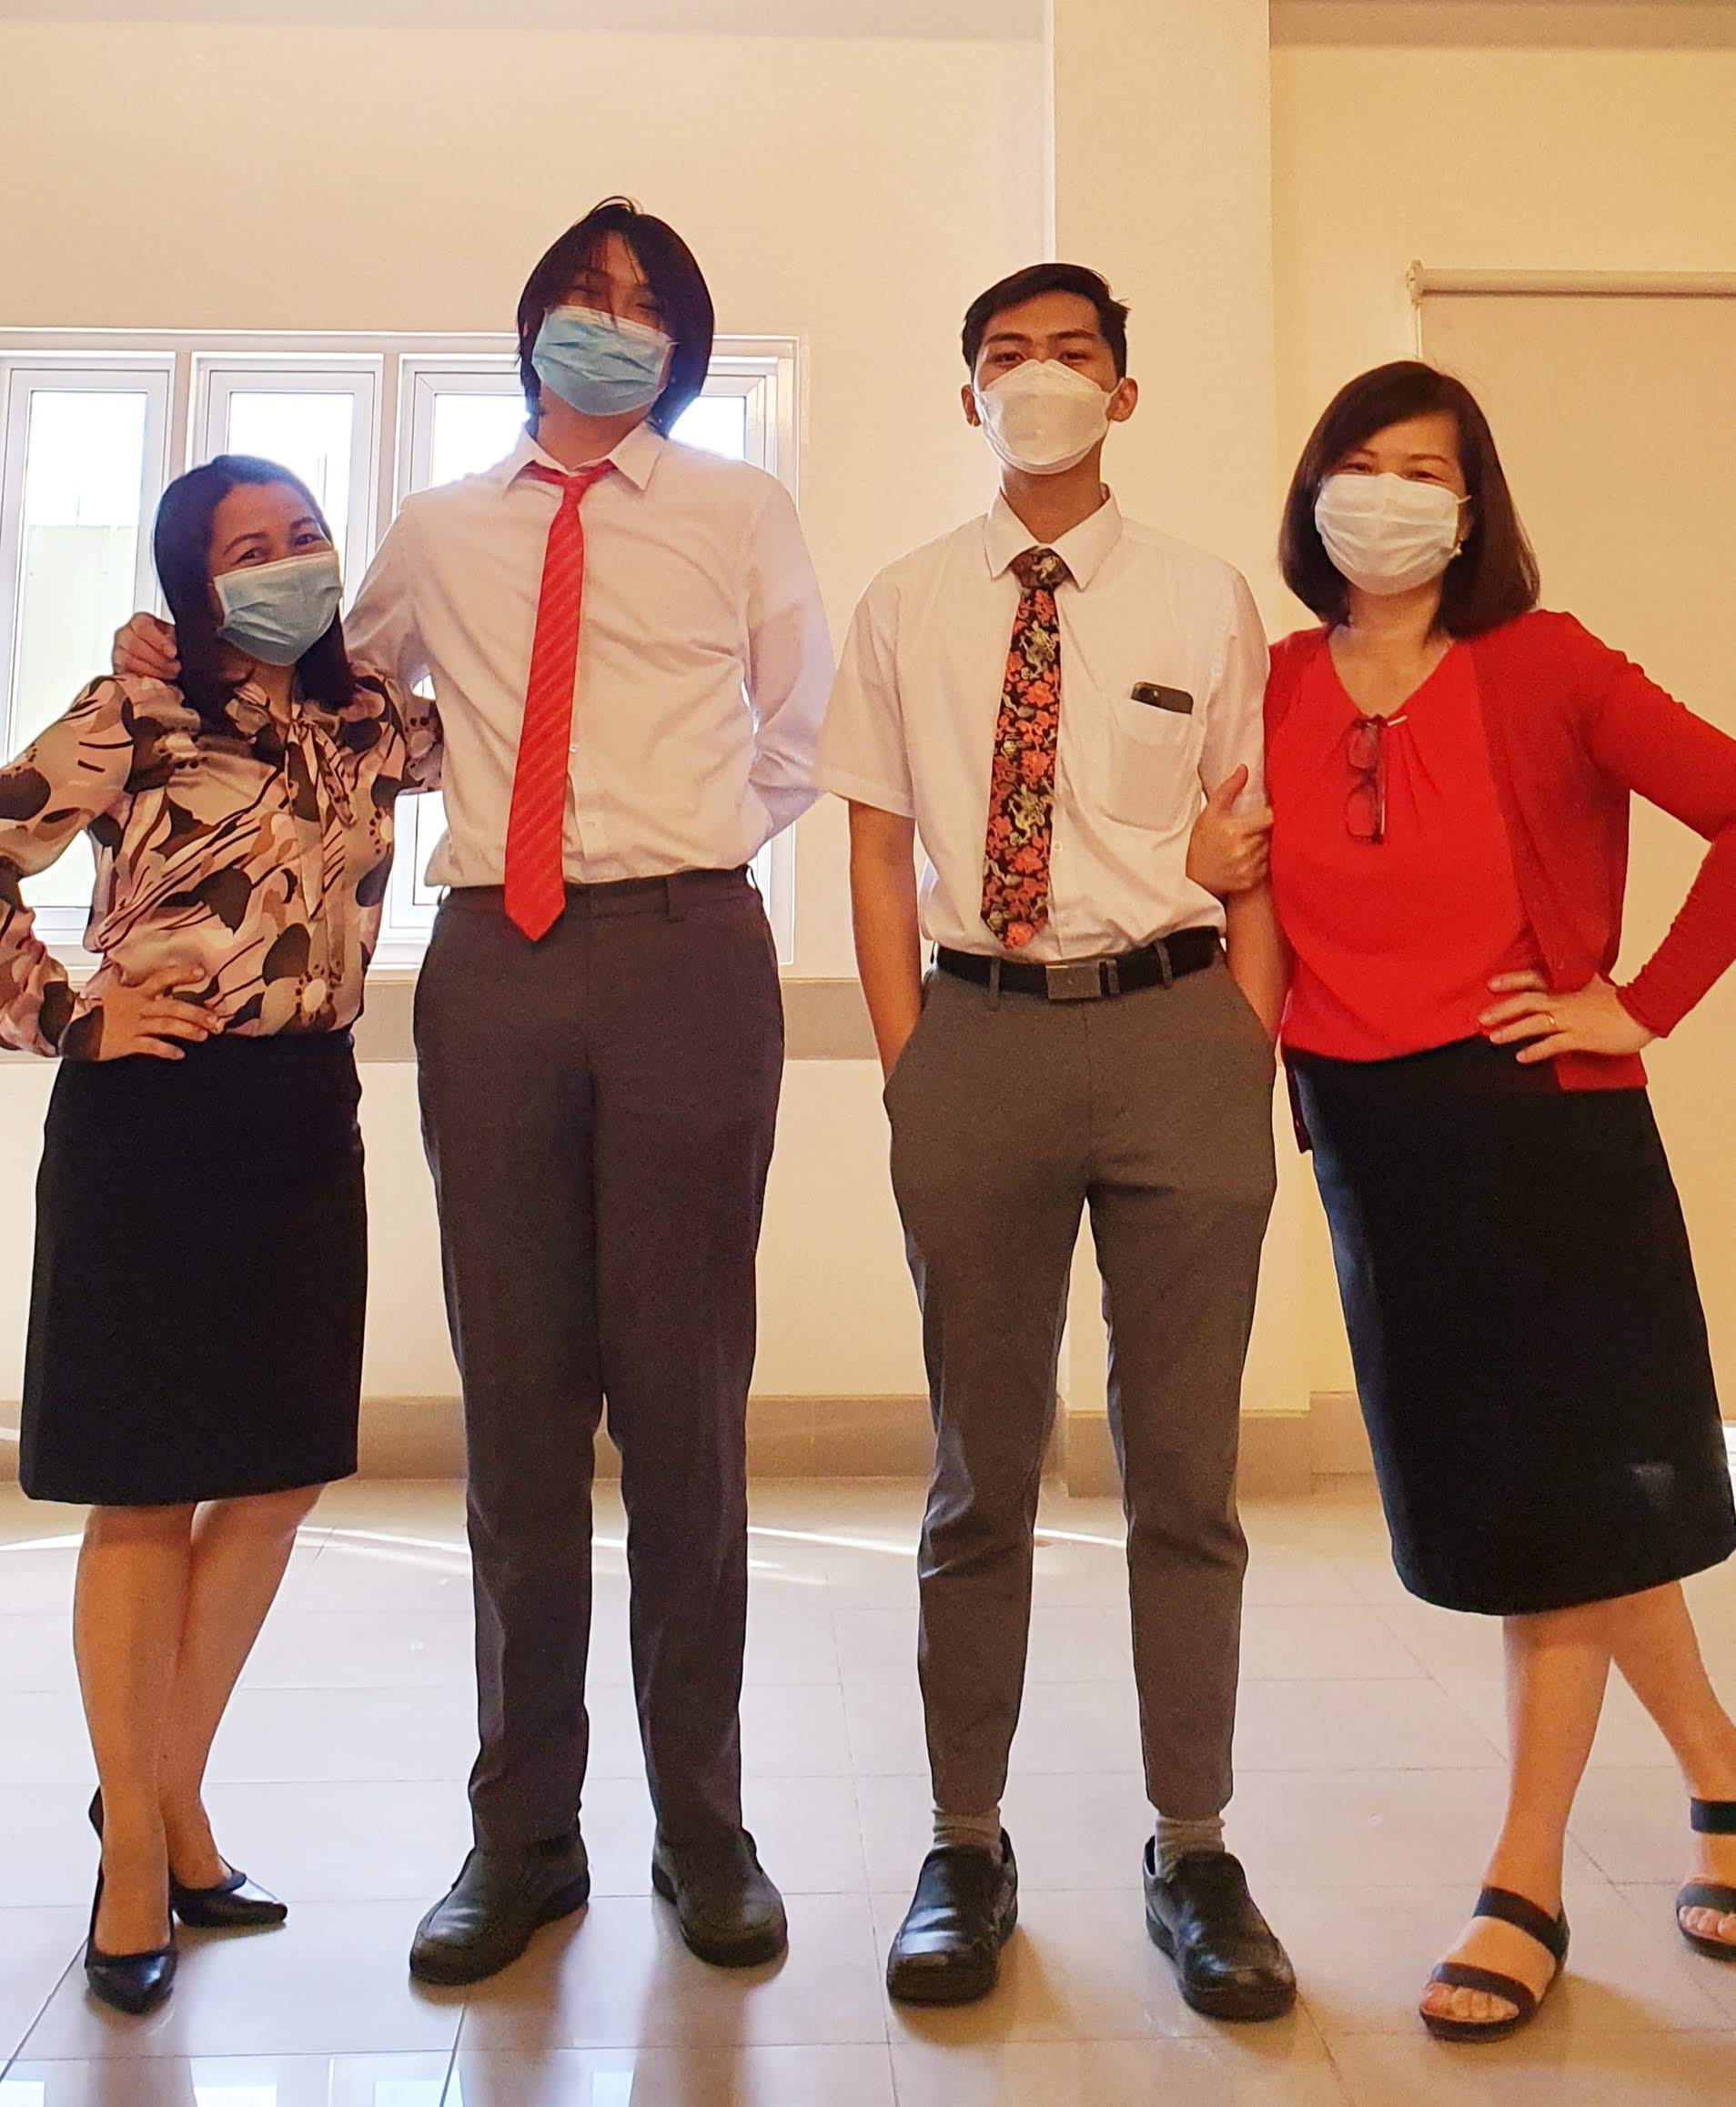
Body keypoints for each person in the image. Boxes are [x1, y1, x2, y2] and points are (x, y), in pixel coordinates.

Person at [115, 197, 833, 1986]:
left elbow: (796, 730)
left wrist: (681, 844)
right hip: (494, 971)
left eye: (645, 305)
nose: (612, 324)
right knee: (517, 1416)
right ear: (531, 327)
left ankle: (706, 1827)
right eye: (584, 297)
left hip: (689, 952)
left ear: (681, 344)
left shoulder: (740, 509)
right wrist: (169, 663)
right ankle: (523, 1835)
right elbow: (325, 693)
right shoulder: (440, 530)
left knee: (687, 1413)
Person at [814, 262, 1294, 2020]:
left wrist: (1243, 1038)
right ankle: (965, 1841)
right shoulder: (908, 602)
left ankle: (1194, 1847)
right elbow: (875, 847)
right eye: (1007, 357)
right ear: (968, 397)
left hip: (1177, 1034)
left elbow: (1254, 833)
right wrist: (910, 1064)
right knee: (979, 1470)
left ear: (1124, 392)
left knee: (1186, 1471)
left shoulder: (1202, 596)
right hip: (979, 1040)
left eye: (1073, 355)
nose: (1041, 380)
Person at [1263, 358, 1736, 2042]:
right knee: (1557, 1509)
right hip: (1376, 1151)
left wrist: (1643, 1001)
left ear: (1472, 511)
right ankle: (1725, 1776)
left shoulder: (1547, 664)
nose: (1386, 494)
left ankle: (1523, 1882)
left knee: (1559, 1517)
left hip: (1543, 1131)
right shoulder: (1270, 682)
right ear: (1313, 489)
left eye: (1425, 469)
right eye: (1360, 461)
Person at [5, 454, 440, 2015]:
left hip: (305, 1112)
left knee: (274, 1476)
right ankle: (139, 1853)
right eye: (244, 548)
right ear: (192, 579)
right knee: (144, 1489)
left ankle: (163, 1792)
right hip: (150, 1117)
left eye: (303, 536)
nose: (283, 563)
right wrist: (64, 1012)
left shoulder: (374, 719)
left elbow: (517, 701)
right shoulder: (133, 710)